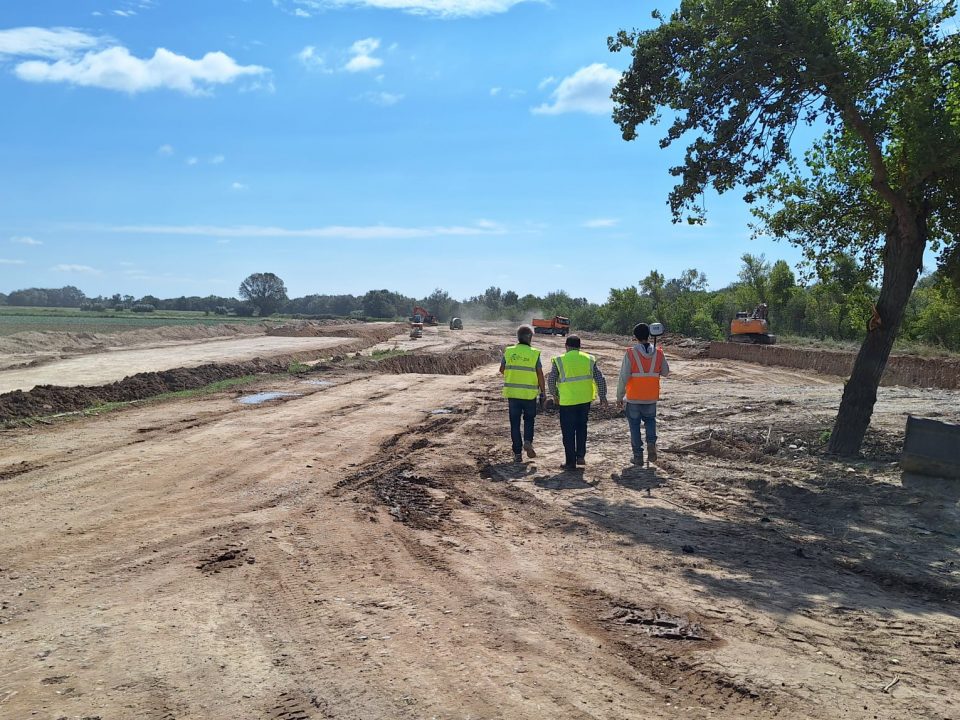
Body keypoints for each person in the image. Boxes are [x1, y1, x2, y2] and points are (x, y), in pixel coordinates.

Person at [548, 335, 607, 470]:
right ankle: (580, 455)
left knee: (568, 432)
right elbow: (600, 378)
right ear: (580, 346)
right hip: (584, 400)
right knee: (581, 428)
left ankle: (570, 462)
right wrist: (602, 397)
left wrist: (555, 395)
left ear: (566, 346)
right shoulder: (589, 359)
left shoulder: (559, 360)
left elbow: (551, 381)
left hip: (567, 401)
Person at [617, 322, 670, 465]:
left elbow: (624, 376)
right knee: (650, 421)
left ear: (635, 336)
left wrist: (619, 396)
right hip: (651, 397)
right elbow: (665, 372)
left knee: (634, 426)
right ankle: (651, 444)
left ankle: (638, 456)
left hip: (634, 397)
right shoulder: (659, 353)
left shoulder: (631, 353)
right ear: (648, 335)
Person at [500, 325, 546, 463]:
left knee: (514, 423)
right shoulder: (534, 353)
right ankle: (527, 441)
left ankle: (517, 453)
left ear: (518, 337)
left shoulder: (509, 351)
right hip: (529, 394)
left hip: (513, 394)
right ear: (530, 337)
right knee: (529, 420)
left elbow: (502, 369)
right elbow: (539, 373)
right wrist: (543, 392)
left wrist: (514, 376)